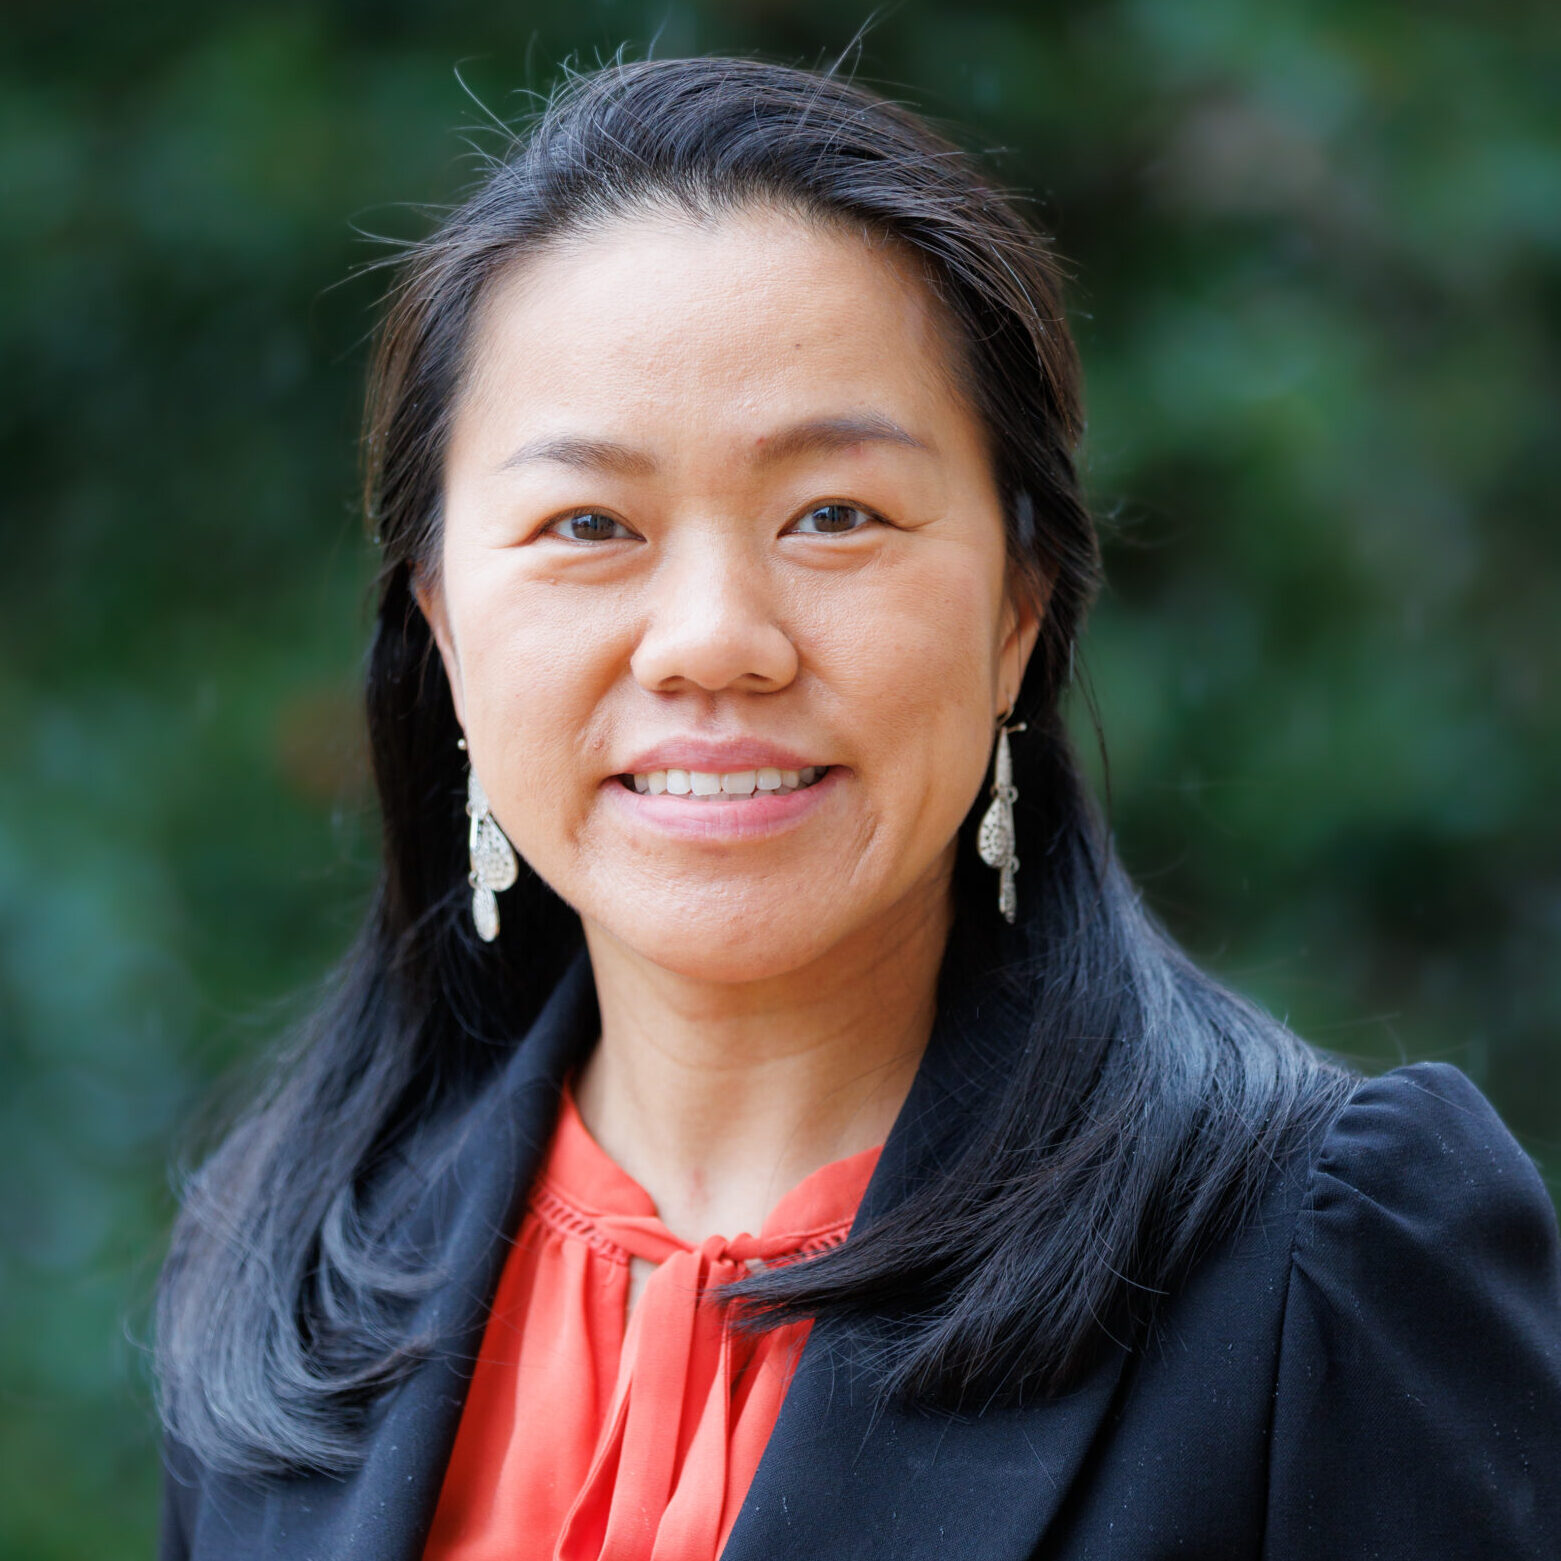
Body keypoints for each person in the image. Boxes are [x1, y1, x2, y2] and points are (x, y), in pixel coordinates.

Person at [153, 55, 1561, 1561]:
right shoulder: (302, 1256)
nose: (710, 637)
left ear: (1021, 603)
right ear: (439, 620)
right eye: (587, 524)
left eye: (835, 514)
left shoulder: (1317, 1257)